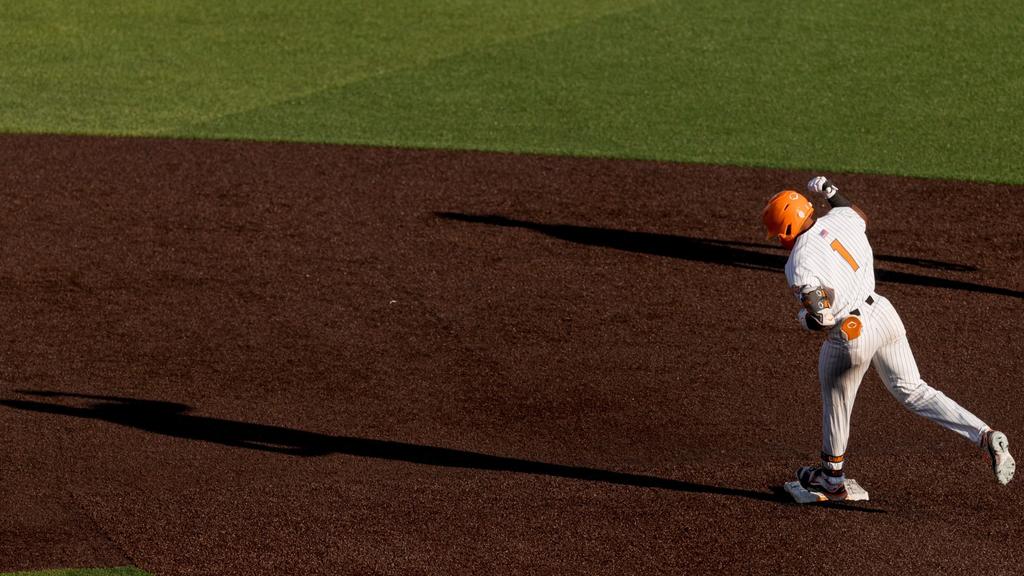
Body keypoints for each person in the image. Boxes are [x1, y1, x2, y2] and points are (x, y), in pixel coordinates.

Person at [761, 176, 1015, 499]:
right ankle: (984, 434)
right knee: (916, 390)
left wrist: (804, 319)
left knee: (837, 398)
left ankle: (830, 477)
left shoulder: (798, 261)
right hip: (883, 313)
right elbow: (859, 215)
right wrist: (831, 192)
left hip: (851, 335)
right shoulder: (839, 218)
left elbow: (821, 318)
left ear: (785, 231)